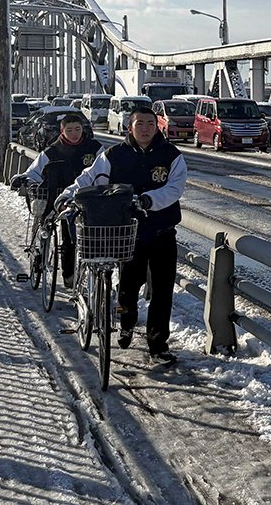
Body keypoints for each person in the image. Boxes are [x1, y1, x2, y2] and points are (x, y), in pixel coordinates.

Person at [57, 106, 187, 365]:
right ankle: (126, 321)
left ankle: (158, 345)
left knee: (163, 291)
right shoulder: (114, 154)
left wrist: (150, 200)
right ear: (130, 126)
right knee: (128, 287)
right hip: (128, 233)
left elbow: (175, 187)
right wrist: (69, 193)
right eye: (140, 123)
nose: (145, 128)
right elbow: (89, 177)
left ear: (157, 125)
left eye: (150, 123)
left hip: (162, 230)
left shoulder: (171, 155)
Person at [10, 112, 103, 288]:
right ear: (62, 131)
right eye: (69, 130)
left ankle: (82, 275)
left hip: (86, 198)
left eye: (78, 129)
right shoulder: (52, 151)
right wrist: (23, 177)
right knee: (62, 233)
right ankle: (59, 269)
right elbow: (34, 171)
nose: (74, 133)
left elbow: (106, 171)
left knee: (81, 237)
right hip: (56, 197)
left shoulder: (95, 148)